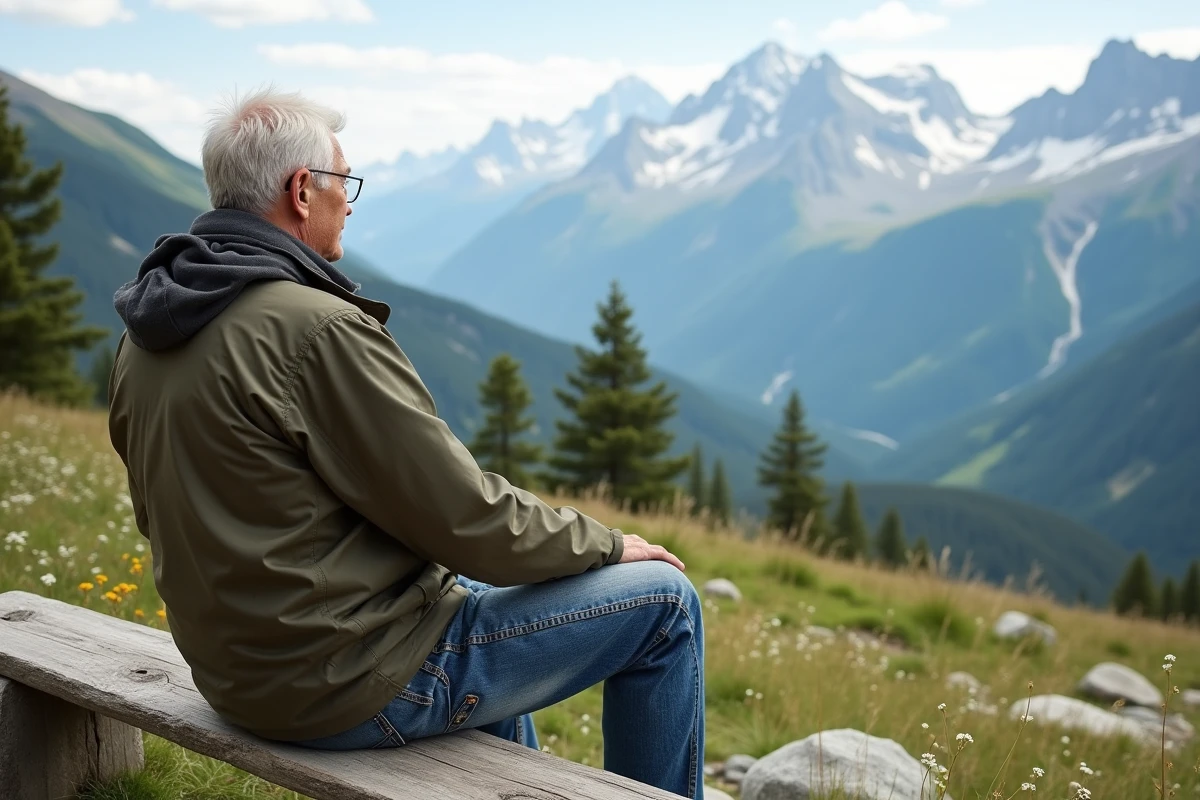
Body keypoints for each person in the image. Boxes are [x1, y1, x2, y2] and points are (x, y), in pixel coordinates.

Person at [106, 87, 705, 799]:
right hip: (345, 685)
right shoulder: (315, 329)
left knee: (478, 595)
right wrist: (609, 546)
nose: (350, 203)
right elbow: (464, 517)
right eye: (344, 183)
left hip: (238, 672)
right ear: (302, 190)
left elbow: (167, 514)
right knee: (666, 602)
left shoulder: (148, 334)